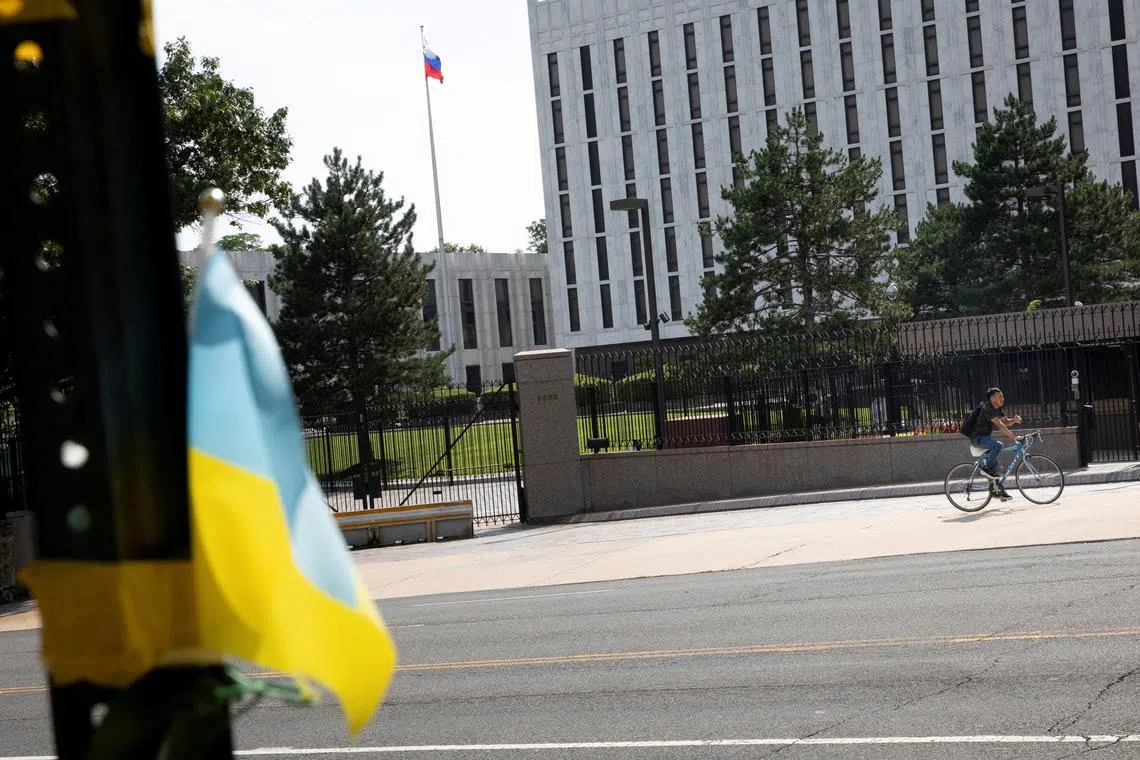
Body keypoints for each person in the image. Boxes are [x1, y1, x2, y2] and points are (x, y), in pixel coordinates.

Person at [969, 387, 1022, 500]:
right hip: (977, 438)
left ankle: (998, 491)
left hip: (985, 438)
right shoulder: (988, 408)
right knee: (998, 445)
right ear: (992, 398)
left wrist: (1014, 420)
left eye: (1003, 396)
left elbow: (1005, 422)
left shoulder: (998, 408)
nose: (1003, 398)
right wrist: (1013, 437)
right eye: (1000, 396)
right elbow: (1000, 426)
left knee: (995, 467)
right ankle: (986, 469)